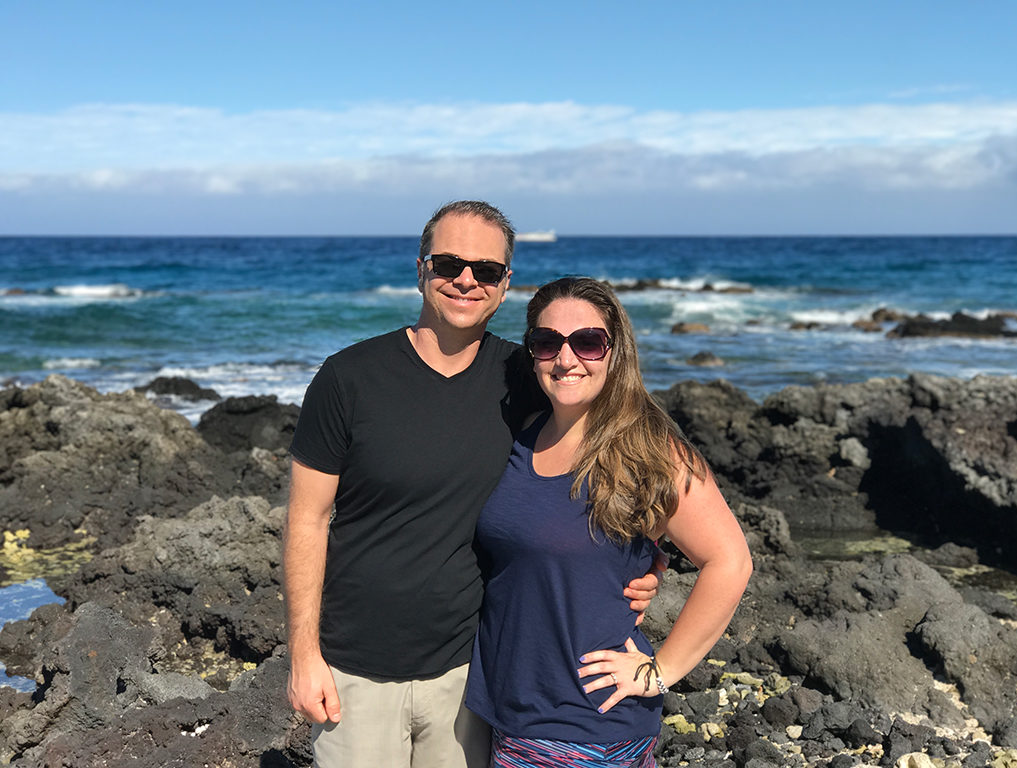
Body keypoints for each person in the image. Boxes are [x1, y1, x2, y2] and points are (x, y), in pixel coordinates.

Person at [283, 202, 660, 768]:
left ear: (504, 284)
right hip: (353, 665)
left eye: (485, 270)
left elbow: (622, 458)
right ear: (420, 268)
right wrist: (303, 656)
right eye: (449, 263)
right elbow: (306, 520)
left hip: (472, 672)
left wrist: (648, 563)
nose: (466, 279)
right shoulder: (348, 378)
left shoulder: (529, 377)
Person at [466, 277, 753, 768]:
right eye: (547, 342)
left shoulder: (650, 451)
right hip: (508, 713)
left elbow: (729, 561)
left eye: (588, 342)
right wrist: (653, 563)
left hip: (589, 728)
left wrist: (660, 671)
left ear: (615, 350)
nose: (566, 358)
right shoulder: (523, 434)